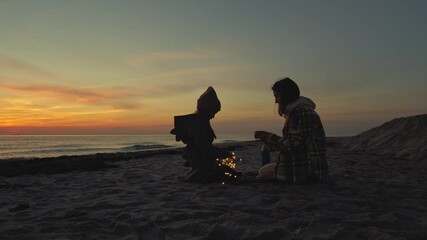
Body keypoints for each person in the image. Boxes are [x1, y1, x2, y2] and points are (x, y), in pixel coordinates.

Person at [254, 77, 328, 184]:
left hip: (309, 170)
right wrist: (268, 142)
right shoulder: (295, 112)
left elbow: (293, 147)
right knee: (264, 170)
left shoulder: (302, 113)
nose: (275, 101)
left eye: (277, 96)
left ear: (286, 96)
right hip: (304, 162)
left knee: (264, 172)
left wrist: (268, 136)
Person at [170, 86, 239, 183]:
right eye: (214, 112)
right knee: (226, 173)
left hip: (198, 157)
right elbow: (203, 146)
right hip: (199, 159)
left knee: (227, 170)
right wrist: (222, 153)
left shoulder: (200, 121)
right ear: (208, 109)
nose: (214, 116)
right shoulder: (198, 123)